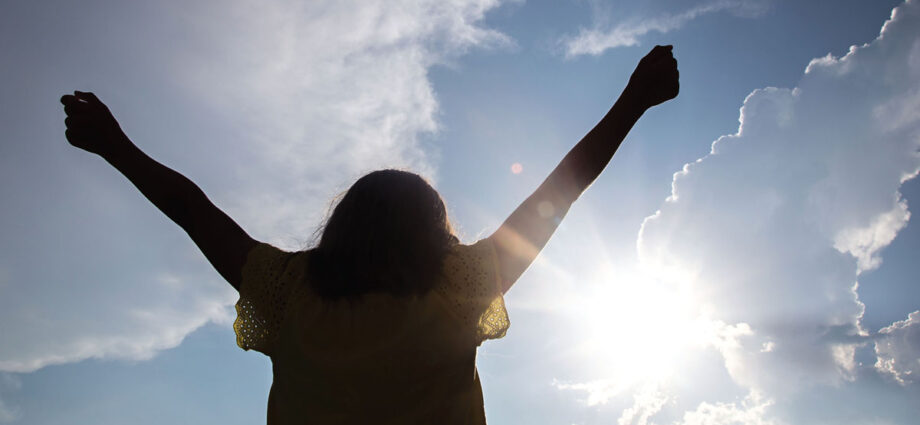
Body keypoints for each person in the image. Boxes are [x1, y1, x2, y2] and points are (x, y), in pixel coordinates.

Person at [60, 45, 678, 424]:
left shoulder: (288, 294)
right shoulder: (459, 291)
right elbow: (559, 192)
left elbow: (191, 209)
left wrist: (114, 145)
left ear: (342, 226)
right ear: (433, 234)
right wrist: (632, 101)